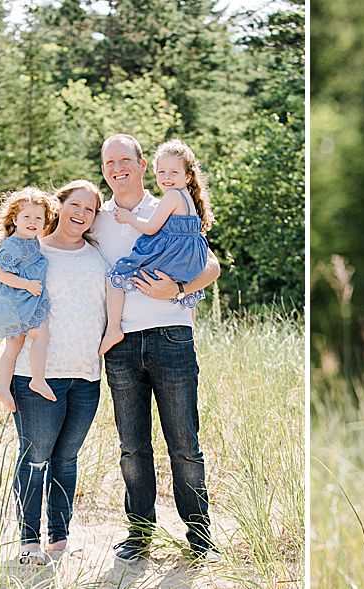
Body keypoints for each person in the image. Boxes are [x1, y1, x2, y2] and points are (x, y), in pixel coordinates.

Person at [93, 133, 222, 563]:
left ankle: (199, 536)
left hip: (171, 335)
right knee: (133, 445)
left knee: (184, 442)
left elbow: (213, 264)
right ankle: (140, 533)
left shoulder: (168, 200)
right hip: (120, 343)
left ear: (142, 164)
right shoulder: (96, 216)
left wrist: (179, 287)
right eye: (109, 162)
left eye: (124, 160)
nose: (117, 168)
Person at [6, 180, 109, 566]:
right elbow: (4, 301)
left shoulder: (98, 256)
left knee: (66, 460)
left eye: (90, 209)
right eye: (75, 204)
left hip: (86, 375)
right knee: (36, 459)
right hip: (37, 376)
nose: (81, 213)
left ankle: (59, 538)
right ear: (59, 206)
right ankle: (29, 540)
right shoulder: (34, 252)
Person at [101, 139, 213, 355]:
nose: (166, 178)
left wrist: (128, 218)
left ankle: (113, 328)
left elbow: (151, 228)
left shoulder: (169, 198)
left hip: (170, 330)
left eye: (173, 172)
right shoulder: (188, 199)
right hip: (187, 259)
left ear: (187, 176)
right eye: (162, 172)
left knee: (117, 273)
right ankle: (192, 330)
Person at [0, 187, 59, 411]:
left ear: (45, 222)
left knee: (14, 345)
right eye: (27, 217)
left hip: (21, 299)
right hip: (15, 300)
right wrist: (27, 284)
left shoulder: (31, 241)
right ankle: (37, 379)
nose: (33, 222)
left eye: (38, 218)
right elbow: (1, 273)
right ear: (15, 219)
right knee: (41, 335)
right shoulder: (12, 244)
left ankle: (3, 388)